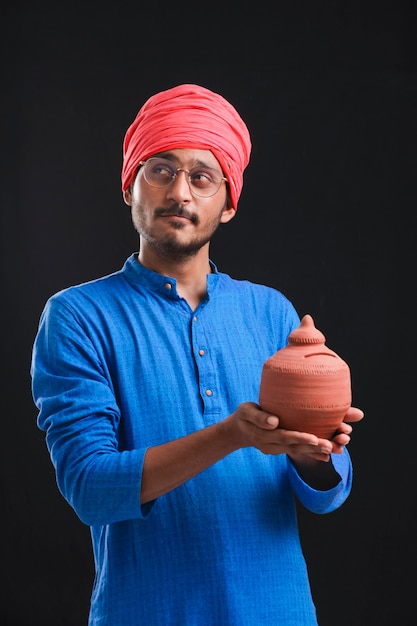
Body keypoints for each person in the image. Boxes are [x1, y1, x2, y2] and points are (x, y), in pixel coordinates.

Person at [31, 83, 364, 626]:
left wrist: (314, 451)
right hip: (144, 612)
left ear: (228, 203)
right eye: (160, 170)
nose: (179, 192)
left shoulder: (271, 312)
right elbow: (90, 488)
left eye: (201, 177)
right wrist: (232, 435)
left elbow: (325, 495)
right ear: (129, 186)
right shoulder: (77, 316)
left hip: (278, 611)